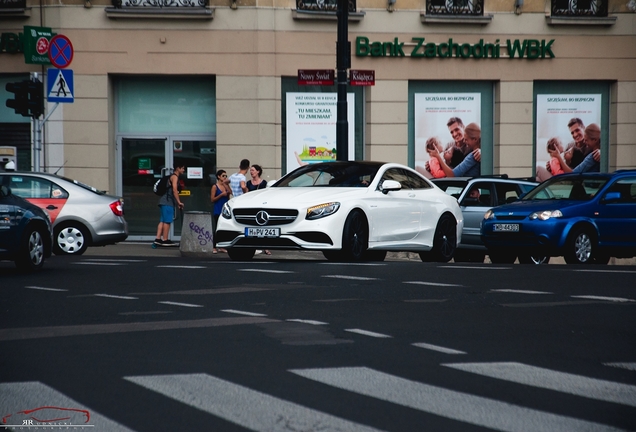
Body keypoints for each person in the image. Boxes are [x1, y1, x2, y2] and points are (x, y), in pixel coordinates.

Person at [154, 164, 185, 247]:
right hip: (167, 202)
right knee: (167, 221)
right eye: (182, 168)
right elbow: (175, 190)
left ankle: (158, 239)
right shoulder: (174, 177)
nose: (183, 170)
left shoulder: (171, 177)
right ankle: (165, 239)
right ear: (177, 168)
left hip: (163, 201)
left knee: (162, 220)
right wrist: (179, 202)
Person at [246, 164, 271, 255]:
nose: (251, 172)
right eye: (250, 170)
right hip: (252, 206)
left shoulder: (264, 183)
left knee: (264, 227)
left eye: (253, 170)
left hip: (261, 206)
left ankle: (266, 247)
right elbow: (246, 195)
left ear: (258, 171)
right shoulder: (248, 183)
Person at [210, 169, 231, 254]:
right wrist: (221, 195)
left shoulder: (226, 185)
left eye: (226, 176)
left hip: (225, 210)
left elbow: (230, 193)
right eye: (223, 176)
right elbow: (212, 199)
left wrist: (226, 187)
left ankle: (222, 246)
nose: (225, 177)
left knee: (224, 228)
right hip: (218, 209)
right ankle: (214, 246)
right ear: (218, 177)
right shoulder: (215, 186)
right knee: (217, 228)